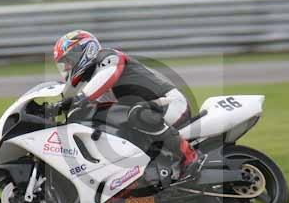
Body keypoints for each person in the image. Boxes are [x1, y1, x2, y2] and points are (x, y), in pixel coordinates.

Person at [52, 30, 202, 180]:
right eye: (63, 64)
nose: (66, 68)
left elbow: (106, 77)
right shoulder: (91, 81)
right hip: (149, 112)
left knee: (138, 114)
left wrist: (79, 99)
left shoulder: (108, 57)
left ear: (87, 50)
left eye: (69, 60)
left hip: (171, 103)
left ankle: (189, 156)